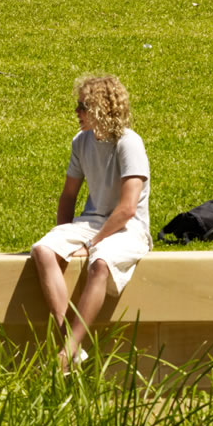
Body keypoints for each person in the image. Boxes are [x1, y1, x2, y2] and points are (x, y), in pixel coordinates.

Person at [31, 74, 151, 370]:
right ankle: (70, 347)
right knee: (43, 251)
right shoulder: (81, 142)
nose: (77, 112)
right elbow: (68, 195)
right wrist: (61, 234)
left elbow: (126, 208)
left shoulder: (129, 143)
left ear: (101, 108)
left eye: (83, 106)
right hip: (92, 222)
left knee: (100, 263)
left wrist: (90, 244)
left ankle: (68, 350)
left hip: (128, 227)